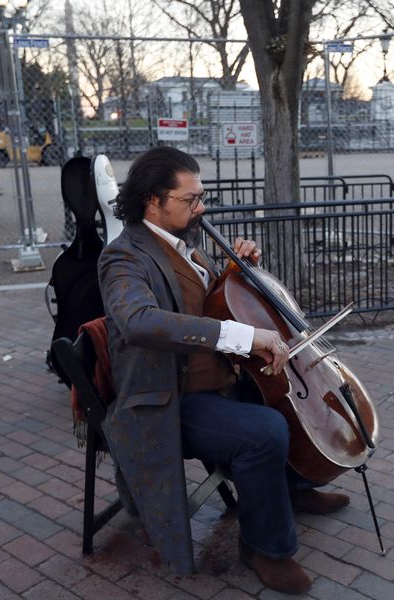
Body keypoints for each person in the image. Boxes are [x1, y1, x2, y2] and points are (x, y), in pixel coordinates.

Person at [97, 146, 349, 595]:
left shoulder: (185, 246)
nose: (202, 207)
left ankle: (292, 487)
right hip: (170, 400)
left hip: (218, 383)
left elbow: (205, 302)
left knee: (284, 401)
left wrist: (234, 272)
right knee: (264, 430)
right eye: (191, 199)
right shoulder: (124, 258)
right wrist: (244, 338)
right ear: (153, 201)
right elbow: (139, 321)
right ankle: (265, 549)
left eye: (202, 196)